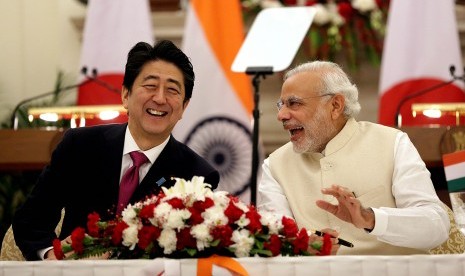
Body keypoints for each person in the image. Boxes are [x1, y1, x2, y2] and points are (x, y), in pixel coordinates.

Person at [12, 40, 220, 261]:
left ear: (184, 107)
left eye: (172, 90)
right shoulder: (80, 146)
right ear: (125, 95)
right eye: (150, 86)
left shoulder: (196, 175)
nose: (160, 98)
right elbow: (31, 221)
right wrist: (52, 256)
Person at [258, 60, 451, 255]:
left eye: (294, 103)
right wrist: (299, 247)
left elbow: (436, 227)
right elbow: (272, 240)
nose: (281, 115)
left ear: (335, 105)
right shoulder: (274, 165)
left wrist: (371, 219)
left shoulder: (392, 143)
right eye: (280, 105)